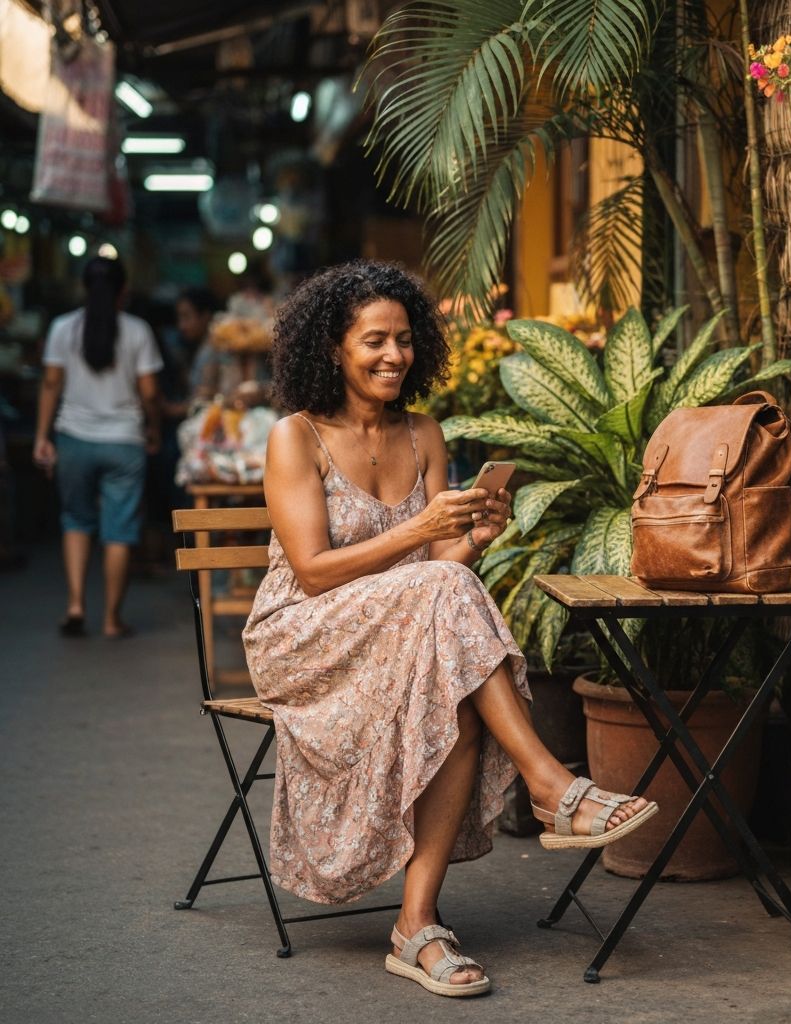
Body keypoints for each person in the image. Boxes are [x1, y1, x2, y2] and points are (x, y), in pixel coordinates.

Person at [242, 260, 658, 997]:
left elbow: (444, 569)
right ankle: (549, 783)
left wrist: (476, 534)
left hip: (407, 629)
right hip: (304, 638)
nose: (393, 356)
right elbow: (311, 571)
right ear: (333, 348)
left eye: (404, 340)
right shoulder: (294, 438)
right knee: (443, 591)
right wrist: (429, 539)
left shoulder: (425, 433)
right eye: (374, 341)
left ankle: (417, 925)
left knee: (459, 693)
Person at [33, 256, 162, 638]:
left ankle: (75, 605)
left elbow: (51, 385)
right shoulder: (137, 331)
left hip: (74, 438)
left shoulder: (62, 328)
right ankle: (111, 619)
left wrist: (42, 436)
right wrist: (153, 427)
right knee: (119, 531)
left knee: (75, 520)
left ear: (83, 287)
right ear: (124, 290)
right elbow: (150, 392)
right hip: (124, 443)